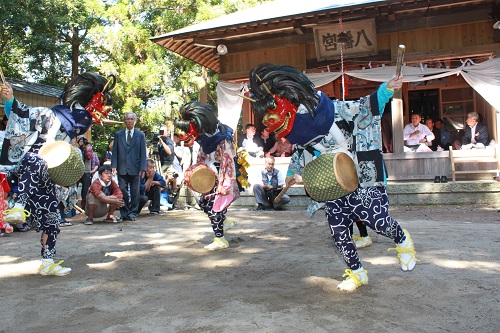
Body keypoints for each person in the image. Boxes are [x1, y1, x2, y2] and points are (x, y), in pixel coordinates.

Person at [248, 63, 417, 291]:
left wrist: (387, 88)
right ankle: (357, 273)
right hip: (331, 182)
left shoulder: (336, 110)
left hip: (358, 174)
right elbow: (301, 150)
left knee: (376, 220)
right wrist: (290, 174)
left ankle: (402, 240)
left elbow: (368, 105)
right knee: (338, 231)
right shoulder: (299, 131)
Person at [0, 72, 115, 276]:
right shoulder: (49, 115)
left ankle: (47, 262)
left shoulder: (70, 134)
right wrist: (10, 99)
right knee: (35, 159)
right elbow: (22, 113)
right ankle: (18, 206)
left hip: (47, 181)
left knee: (52, 220)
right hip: (29, 174)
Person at [174, 101, 240, 250]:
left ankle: (220, 239)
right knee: (204, 204)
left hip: (221, 178)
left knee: (214, 208)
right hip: (209, 176)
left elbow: (228, 162)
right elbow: (202, 157)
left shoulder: (224, 137)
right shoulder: (205, 139)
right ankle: (224, 222)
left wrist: (225, 184)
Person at [111, 112, 147, 222]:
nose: (130, 121)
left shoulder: (140, 135)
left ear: (135, 120)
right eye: (127, 119)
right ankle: (124, 212)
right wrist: (114, 166)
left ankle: (133, 213)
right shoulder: (118, 134)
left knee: (135, 192)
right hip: (122, 167)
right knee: (122, 190)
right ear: (124, 121)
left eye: (132, 119)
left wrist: (143, 167)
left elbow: (143, 153)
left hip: (135, 168)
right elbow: (115, 151)